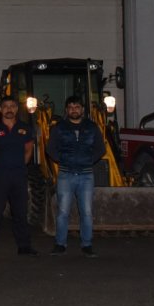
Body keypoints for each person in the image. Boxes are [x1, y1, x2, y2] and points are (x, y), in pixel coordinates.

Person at [0, 97, 36, 257]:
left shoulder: (25, 129)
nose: (9, 109)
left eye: (12, 106)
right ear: (0, 110)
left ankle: (24, 247)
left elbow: (28, 150)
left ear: (17, 109)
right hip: (0, 176)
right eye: (5, 106)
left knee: (20, 212)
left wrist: (19, 166)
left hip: (18, 176)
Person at [48, 96, 102, 257]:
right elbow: (50, 148)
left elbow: (100, 148)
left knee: (87, 212)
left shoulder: (92, 127)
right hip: (66, 175)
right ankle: (60, 244)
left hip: (86, 176)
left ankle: (87, 245)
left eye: (77, 107)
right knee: (63, 211)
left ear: (82, 110)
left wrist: (88, 161)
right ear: (66, 110)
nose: (74, 110)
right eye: (71, 107)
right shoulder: (59, 128)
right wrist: (63, 160)